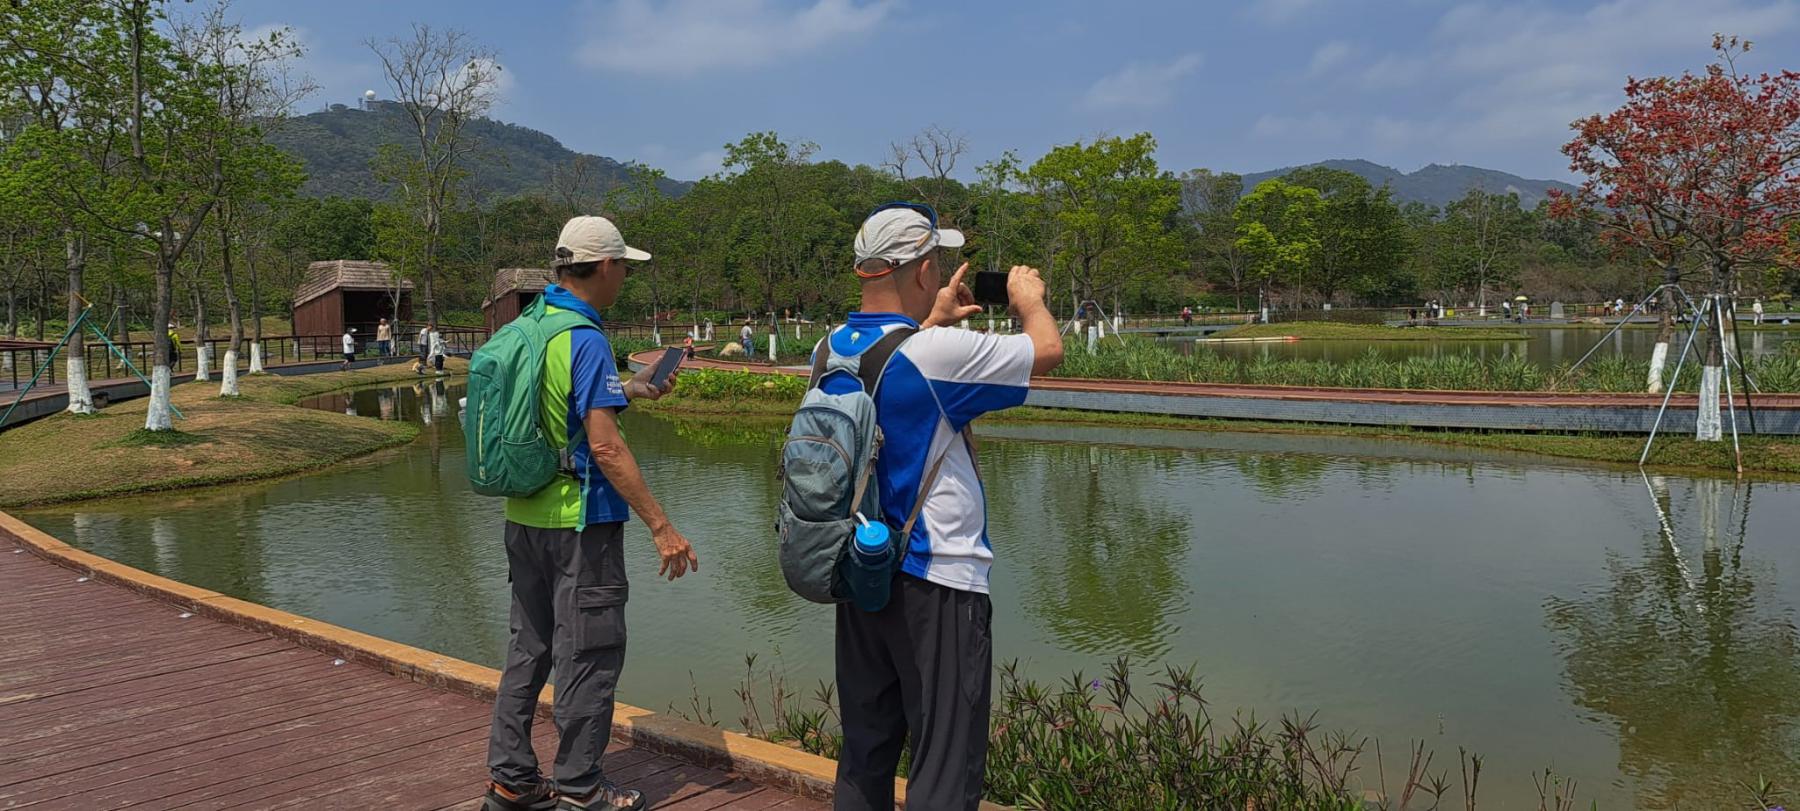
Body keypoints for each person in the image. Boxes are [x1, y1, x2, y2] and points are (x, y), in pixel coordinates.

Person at [824, 203, 1063, 811]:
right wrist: (1029, 300)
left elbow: (895, 374)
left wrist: (930, 321)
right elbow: (1046, 350)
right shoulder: (937, 354)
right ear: (925, 269)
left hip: (859, 569)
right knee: (945, 763)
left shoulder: (831, 350)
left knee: (865, 750)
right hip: (937, 577)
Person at [482, 216, 699, 811]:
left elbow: (562, 411)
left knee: (528, 648)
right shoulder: (584, 335)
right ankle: (581, 788)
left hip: (523, 515)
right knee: (589, 654)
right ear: (604, 266)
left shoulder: (532, 324)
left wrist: (631, 389)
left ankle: (511, 779)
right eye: (623, 266)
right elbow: (604, 447)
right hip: (580, 524)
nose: (625, 276)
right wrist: (662, 526)